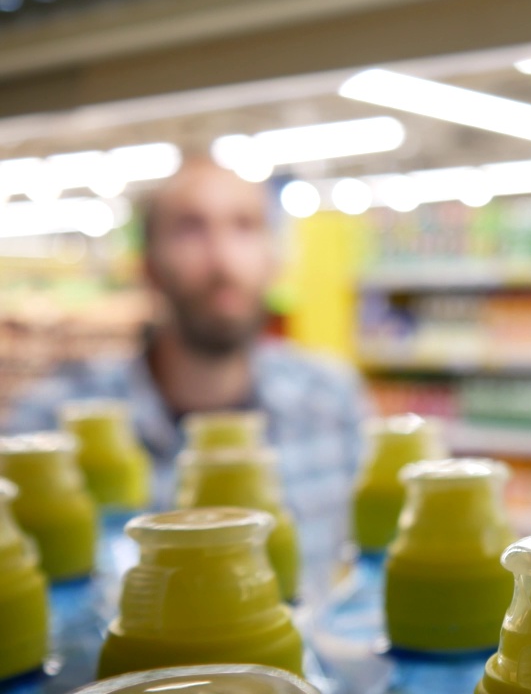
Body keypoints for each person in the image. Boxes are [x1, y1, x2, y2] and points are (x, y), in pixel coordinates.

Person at [4, 157, 372, 595]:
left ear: (274, 260)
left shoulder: (331, 401)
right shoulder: (51, 426)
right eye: (190, 229)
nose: (223, 259)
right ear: (147, 267)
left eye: (245, 226)